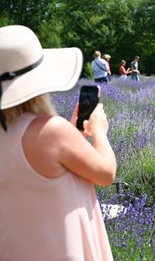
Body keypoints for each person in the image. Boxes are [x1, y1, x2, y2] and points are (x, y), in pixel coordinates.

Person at [0, 25, 117, 260]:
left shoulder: (19, 134)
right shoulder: (51, 131)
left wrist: (71, 134)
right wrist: (99, 132)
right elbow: (106, 173)